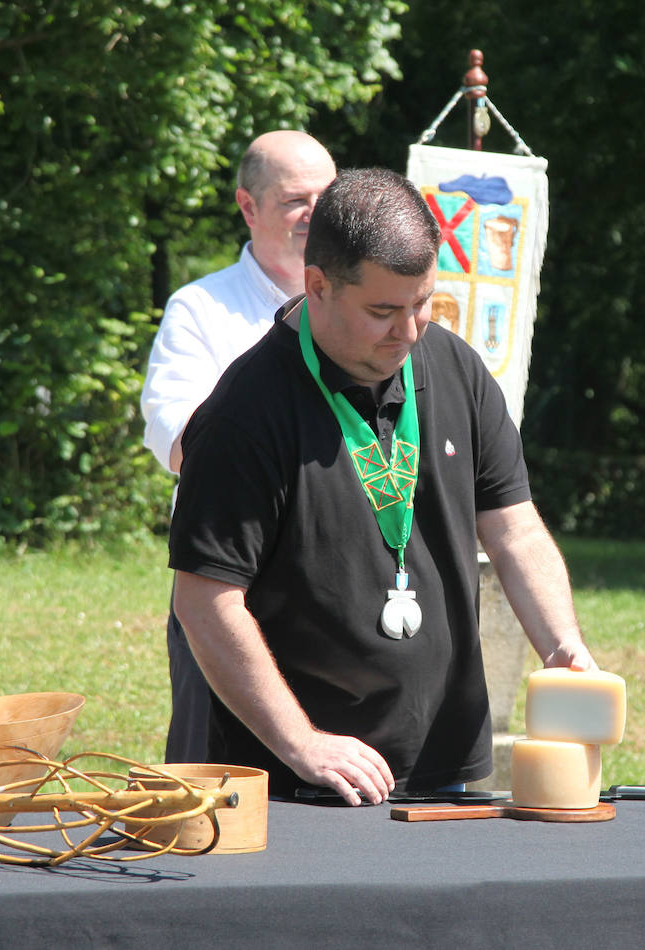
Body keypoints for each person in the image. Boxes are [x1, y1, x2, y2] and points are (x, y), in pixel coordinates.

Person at [168, 167, 596, 805]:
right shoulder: (244, 413)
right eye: (382, 311)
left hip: (444, 763)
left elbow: (515, 530)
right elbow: (205, 603)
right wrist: (304, 743)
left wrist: (563, 647)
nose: (410, 330)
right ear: (318, 286)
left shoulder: (456, 369)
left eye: (422, 302)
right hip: (299, 783)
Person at [141, 130, 337, 763]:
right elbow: (175, 436)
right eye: (296, 200)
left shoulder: (366, 309)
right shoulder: (202, 309)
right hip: (230, 583)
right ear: (248, 207)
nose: (316, 213)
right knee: (213, 770)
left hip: (345, 581)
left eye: (327, 196)